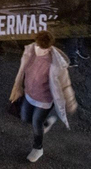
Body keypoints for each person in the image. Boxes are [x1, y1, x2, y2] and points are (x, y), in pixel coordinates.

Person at [10, 32, 77, 163]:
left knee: (36, 123)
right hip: (29, 95)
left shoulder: (56, 63)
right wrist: (18, 87)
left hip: (44, 100)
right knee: (25, 116)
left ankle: (38, 148)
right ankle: (44, 124)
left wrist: (70, 102)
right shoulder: (30, 51)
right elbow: (22, 71)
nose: (39, 48)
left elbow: (65, 84)